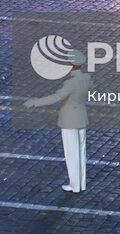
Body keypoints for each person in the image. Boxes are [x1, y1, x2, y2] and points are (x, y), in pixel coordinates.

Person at [23, 49, 92, 193]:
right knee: (81, 151)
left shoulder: (70, 83)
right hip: (81, 116)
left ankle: (75, 185)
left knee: (72, 154)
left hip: (69, 119)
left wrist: (35, 102)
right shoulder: (87, 78)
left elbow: (56, 97)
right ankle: (82, 183)